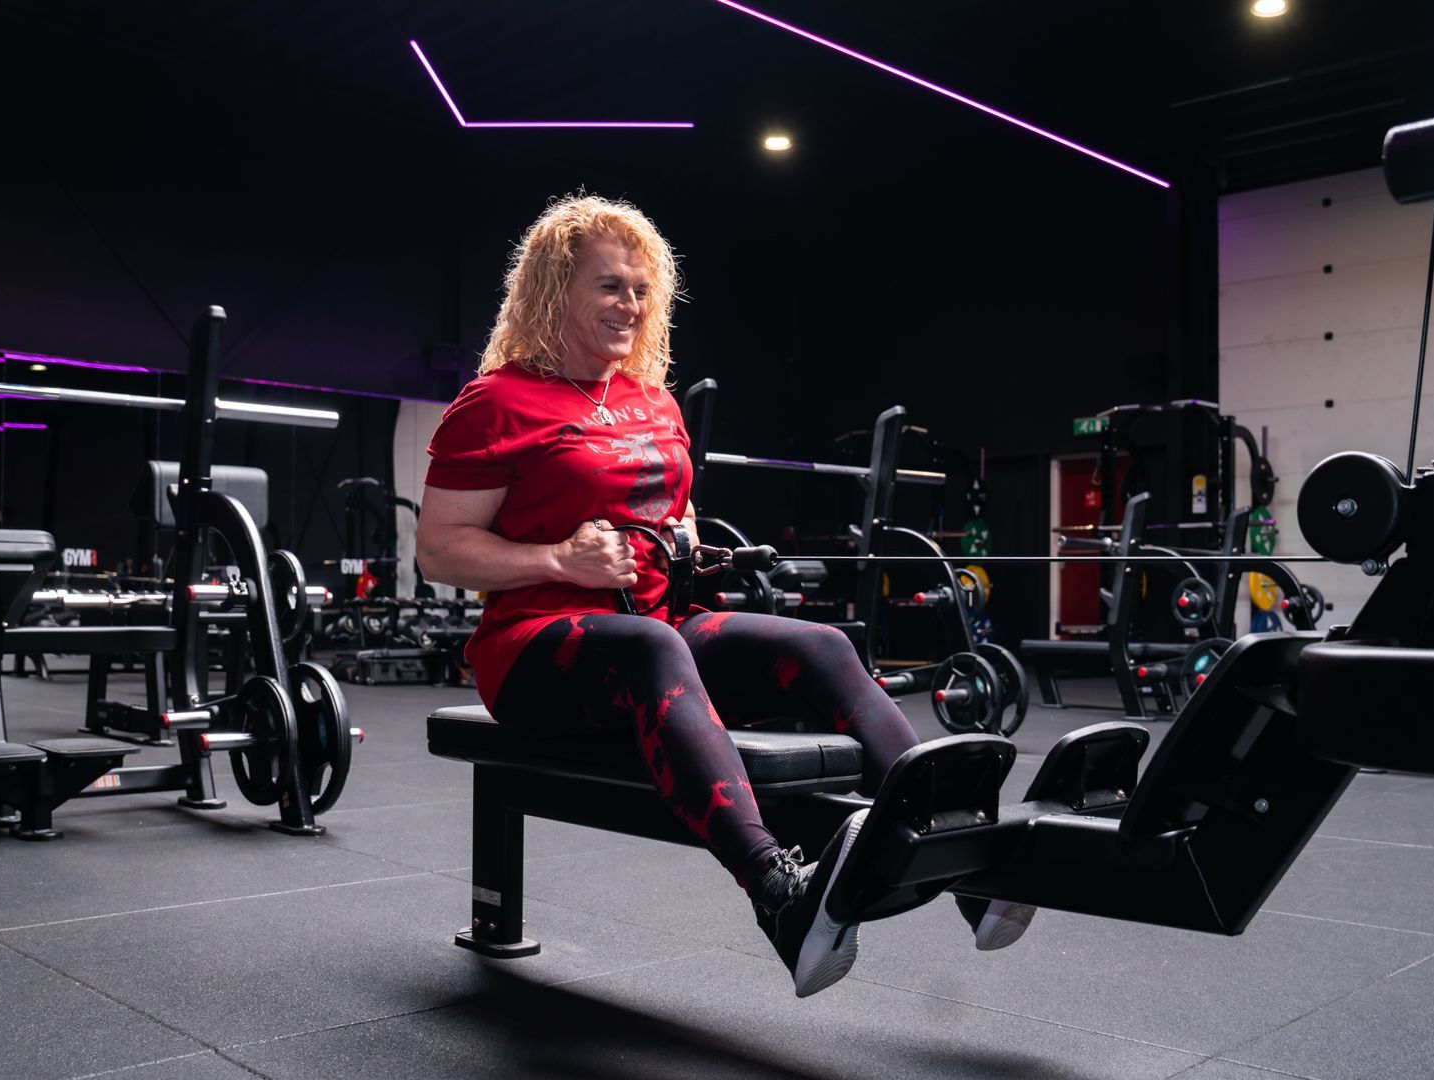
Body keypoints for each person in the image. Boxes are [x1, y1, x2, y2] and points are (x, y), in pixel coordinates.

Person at [415, 194, 1032, 997]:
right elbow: (439, 549)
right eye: (609, 286)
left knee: (819, 645)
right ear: (554, 291)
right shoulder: (497, 403)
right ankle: (780, 898)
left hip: (656, 623)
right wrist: (561, 559)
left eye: (640, 289)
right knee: (653, 648)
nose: (630, 305)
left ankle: (969, 869)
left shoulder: (652, 399)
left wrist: (692, 548)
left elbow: (676, 507)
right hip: (534, 648)